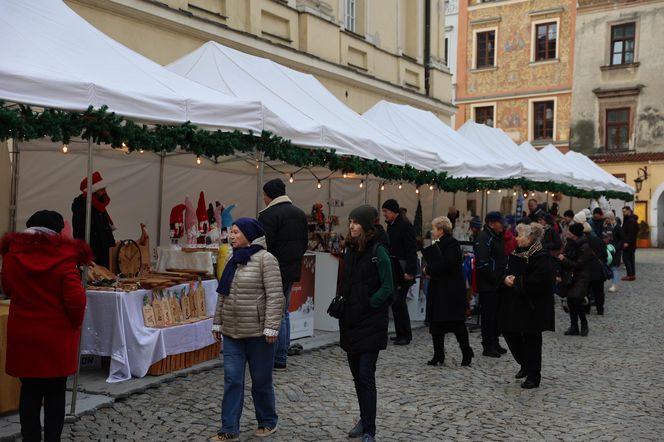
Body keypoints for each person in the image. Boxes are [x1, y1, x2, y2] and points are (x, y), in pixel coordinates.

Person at [1, 210, 91, 442]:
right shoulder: (63, 259)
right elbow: (76, 299)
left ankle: (30, 438)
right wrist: (73, 325)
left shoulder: (12, 256)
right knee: (55, 392)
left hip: (24, 335)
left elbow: (8, 288)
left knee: (29, 391)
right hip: (55, 337)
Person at [211, 218, 284, 441]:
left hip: (258, 334)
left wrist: (272, 327)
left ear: (249, 234)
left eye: (235, 232)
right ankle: (229, 429)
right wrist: (217, 321)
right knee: (233, 380)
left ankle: (268, 421)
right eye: (230, 232)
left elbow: (275, 296)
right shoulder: (233, 259)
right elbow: (223, 293)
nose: (231, 236)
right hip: (232, 332)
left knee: (261, 380)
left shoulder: (266, 259)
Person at [339, 205, 394, 442]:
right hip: (351, 321)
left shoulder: (378, 250)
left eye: (356, 222)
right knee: (356, 376)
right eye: (350, 221)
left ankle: (370, 429)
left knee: (365, 375)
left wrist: (370, 303)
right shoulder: (350, 249)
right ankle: (363, 419)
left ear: (366, 225)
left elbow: (388, 286)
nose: (352, 226)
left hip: (371, 321)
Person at [257, 178, 308, 370]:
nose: (263, 198)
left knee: (274, 312)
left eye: (264, 195)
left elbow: (263, 245)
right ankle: (282, 354)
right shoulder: (299, 213)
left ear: (269, 195)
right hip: (291, 269)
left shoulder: (269, 215)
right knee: (283, 312)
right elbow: (304, 244)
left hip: (273, 269)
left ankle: (277, 356)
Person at [499, 223, 554, 389]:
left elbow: (540, 280)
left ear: (529, 238)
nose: (516, 238)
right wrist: (505, 278)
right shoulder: (517, 252)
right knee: (509, 331)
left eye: (519, 235)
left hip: (533, 305)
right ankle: (525, 363)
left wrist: (516, 281)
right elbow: (505, 269)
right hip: (515, 301)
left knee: (532, 340)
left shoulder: (541, 255)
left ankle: (533, 375)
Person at [423, 217, 473, 367]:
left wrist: (428, 269)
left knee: (456, 323)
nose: (432, 231)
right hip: (439, 288)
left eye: (434, 228)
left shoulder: (452, 243)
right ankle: (438, 355)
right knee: (436, 323)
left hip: (450, 290)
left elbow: (447, 264)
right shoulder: (439, 243)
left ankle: (466, 352)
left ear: (440, 230)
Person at [381, 199, 417, 346]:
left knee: (399, 301)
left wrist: (410, 271)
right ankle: (400, 332)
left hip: (403, 268)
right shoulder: (391, 225)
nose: (385, 214)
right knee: (395, 302)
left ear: (394, 211)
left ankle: (405, 334)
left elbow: (411, 249)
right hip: (396, 266)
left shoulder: (405, 225)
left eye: (386, 211)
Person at [473, 211, 508, 357]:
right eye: (500, 222)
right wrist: (495, 279)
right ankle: (488, 345)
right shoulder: (484, 238)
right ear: (492, 224)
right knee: (488, 316)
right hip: (489, 284)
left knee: (497, 315)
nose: (503, 225)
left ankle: (494, 341)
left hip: (499, 282)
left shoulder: (496, 237)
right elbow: (482, 263)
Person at [71, 170, 115, 268]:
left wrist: (113, 249)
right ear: (93, 191)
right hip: (93, 264)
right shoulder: (82, 209)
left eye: (104, 189)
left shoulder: (99, 208)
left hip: (105, 261)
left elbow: (106, 232)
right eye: (101, 189)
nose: (105, 192)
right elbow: (80, 237)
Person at [558, 223, 593, 336]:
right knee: (570, 301)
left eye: (570, 231)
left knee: (576, 300)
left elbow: (579, 264)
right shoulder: (570, 243)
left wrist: (564, 259)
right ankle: (574, 326)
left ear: (575, 234)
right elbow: (566, 255)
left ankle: (584, 324)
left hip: (580, 276)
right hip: (569, 276)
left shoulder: (584, 246)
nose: (567, 232)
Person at [605, 212, 624, 293]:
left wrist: (616, 248)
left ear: (611, 218)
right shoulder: (607, 227)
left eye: (607, 218)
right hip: (609, 249)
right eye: (605, 218)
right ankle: (613, 283)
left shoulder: (617, 227)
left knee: (614, 267)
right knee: (611, 267)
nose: (606, 220)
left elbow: (622, 239)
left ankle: (615, 285)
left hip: (615, 250)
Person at [621, 206, 638, 281]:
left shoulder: (631, 220)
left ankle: (630, 275)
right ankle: (632, 275)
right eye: (623, 212)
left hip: (629, 243)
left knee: (626, 258)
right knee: (630, 259)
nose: (623, 213)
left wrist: (627, 242)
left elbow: (631, 233)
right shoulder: (629, 219)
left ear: (629, 211)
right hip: (631, 243)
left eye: (624, 211)